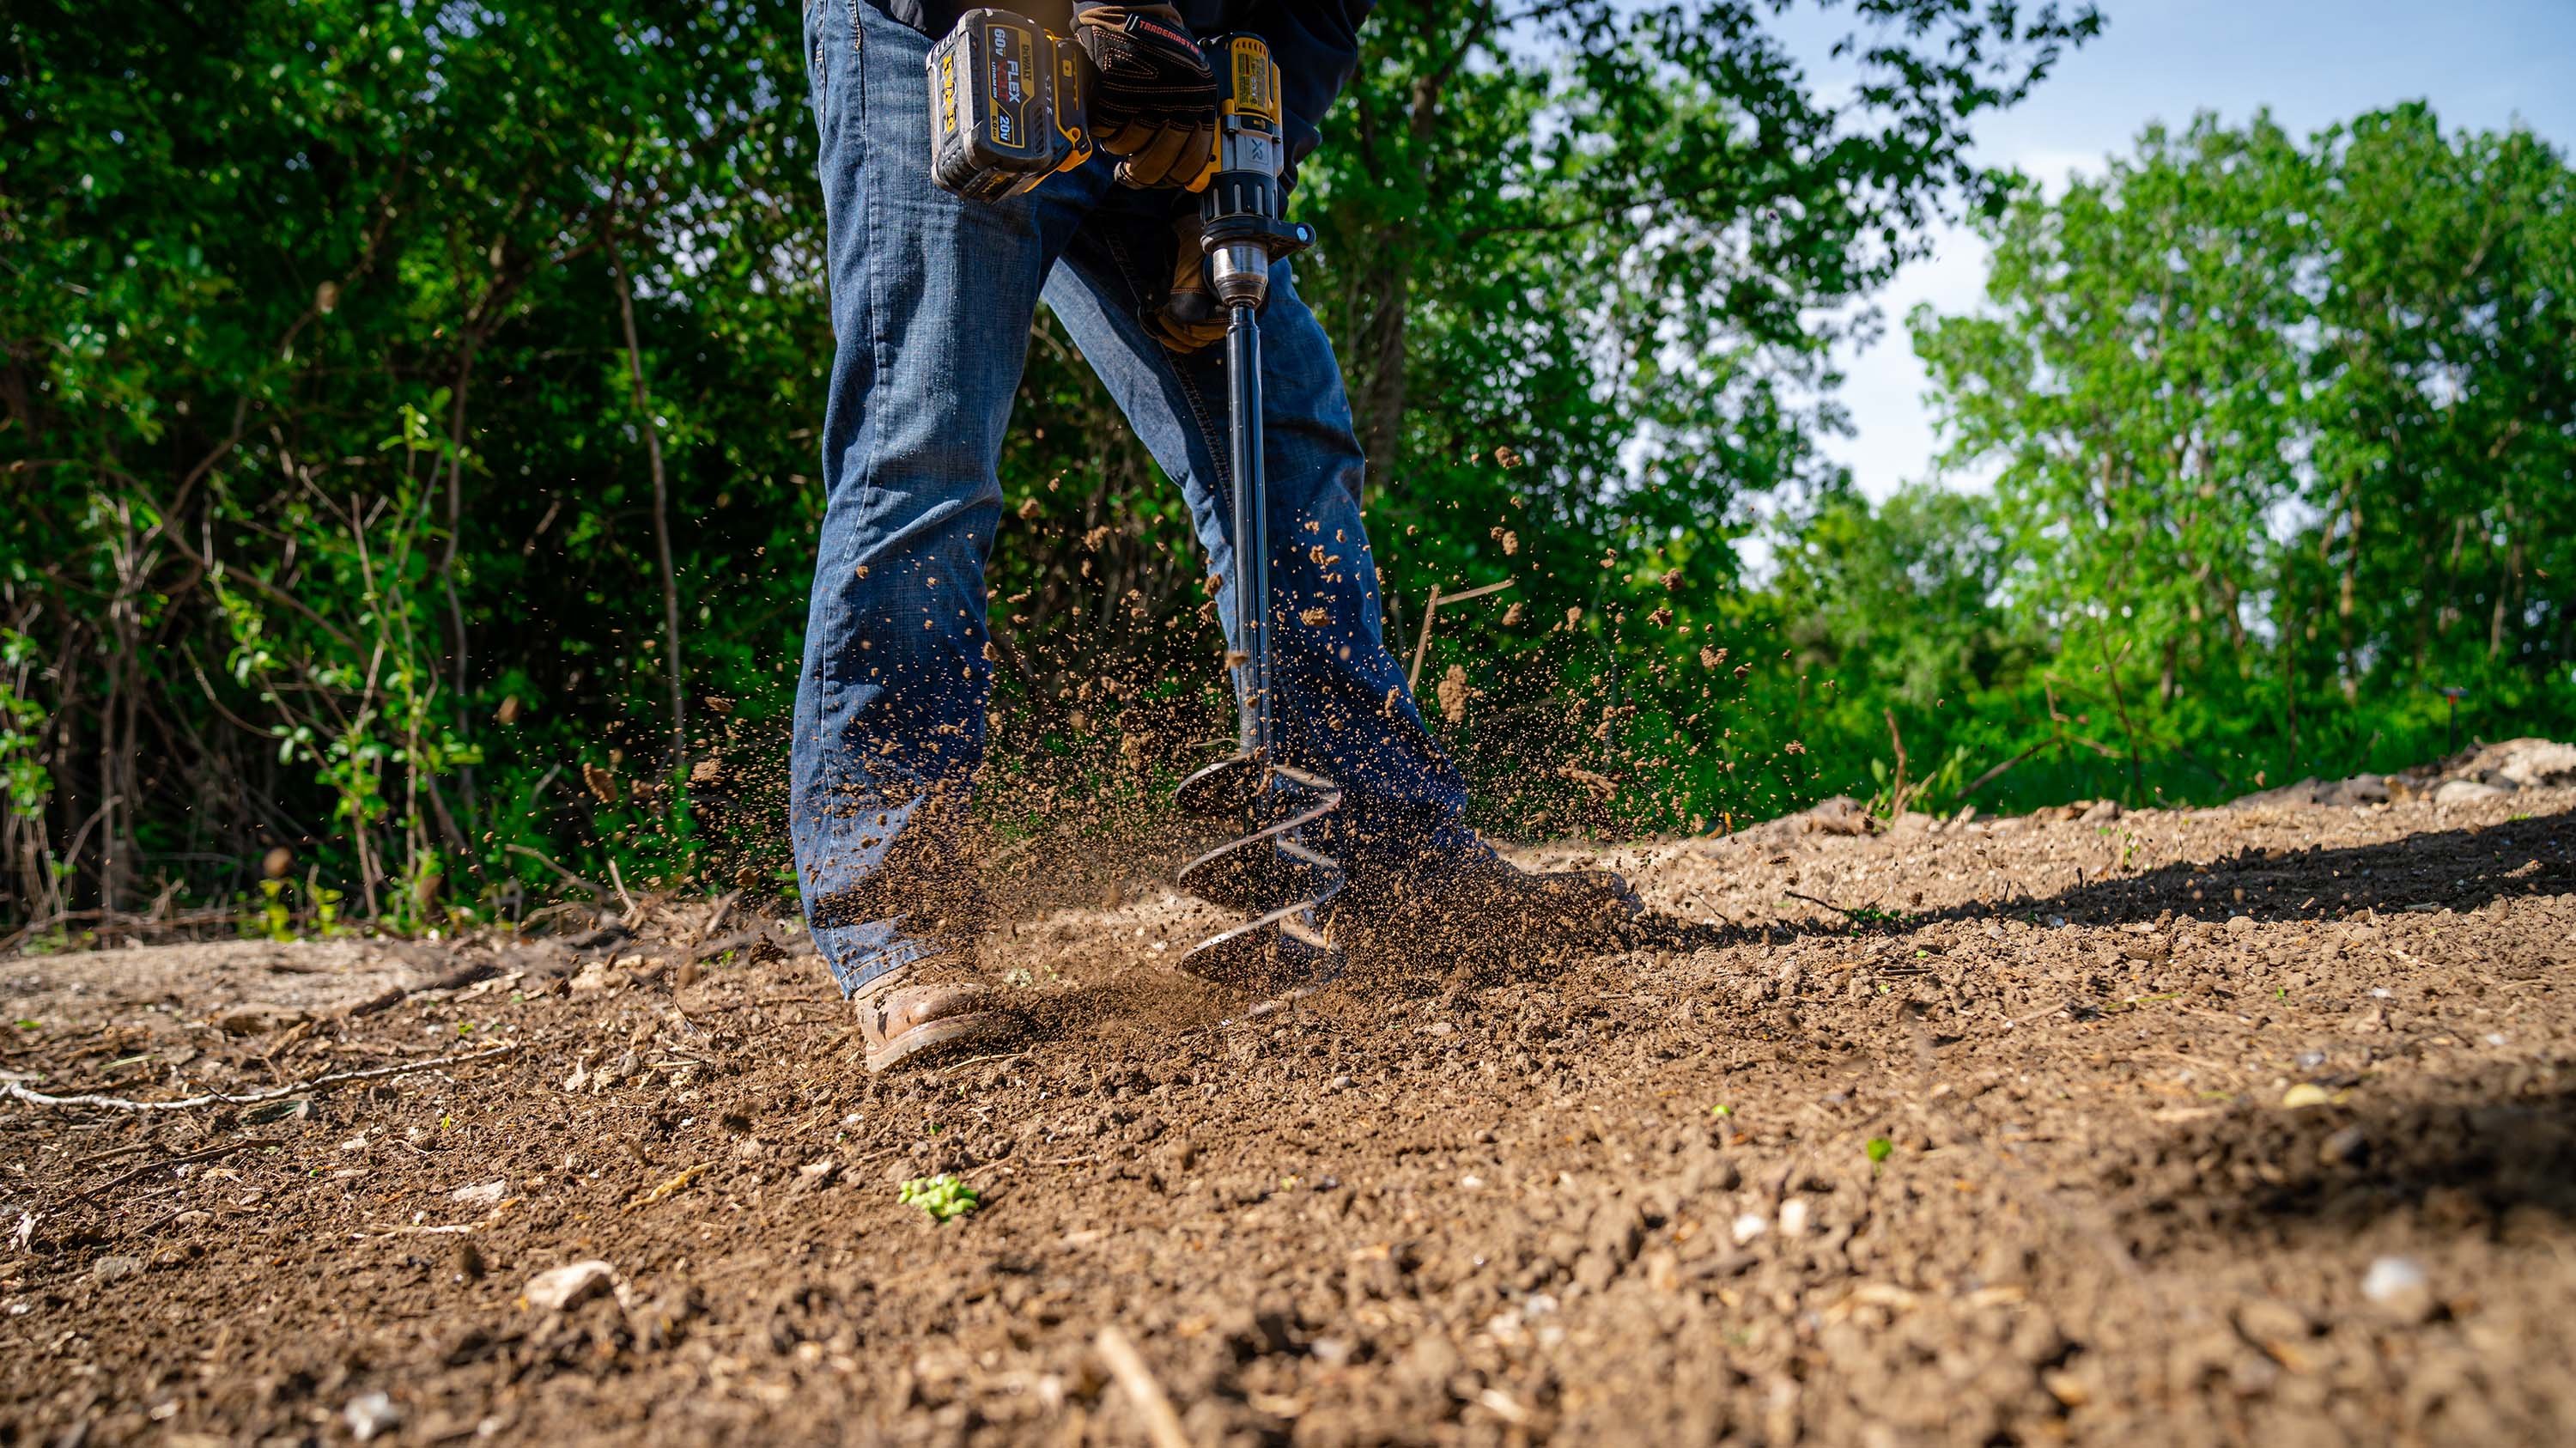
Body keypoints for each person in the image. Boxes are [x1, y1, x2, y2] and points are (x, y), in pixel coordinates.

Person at [793, 0, 1638, 1072]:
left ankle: (1390, 862)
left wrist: (1250, 173)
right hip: (952, 28)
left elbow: (1317, 13)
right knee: (926, 446)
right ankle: (896, 921)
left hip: (1177, 84)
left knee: (1286, 443)